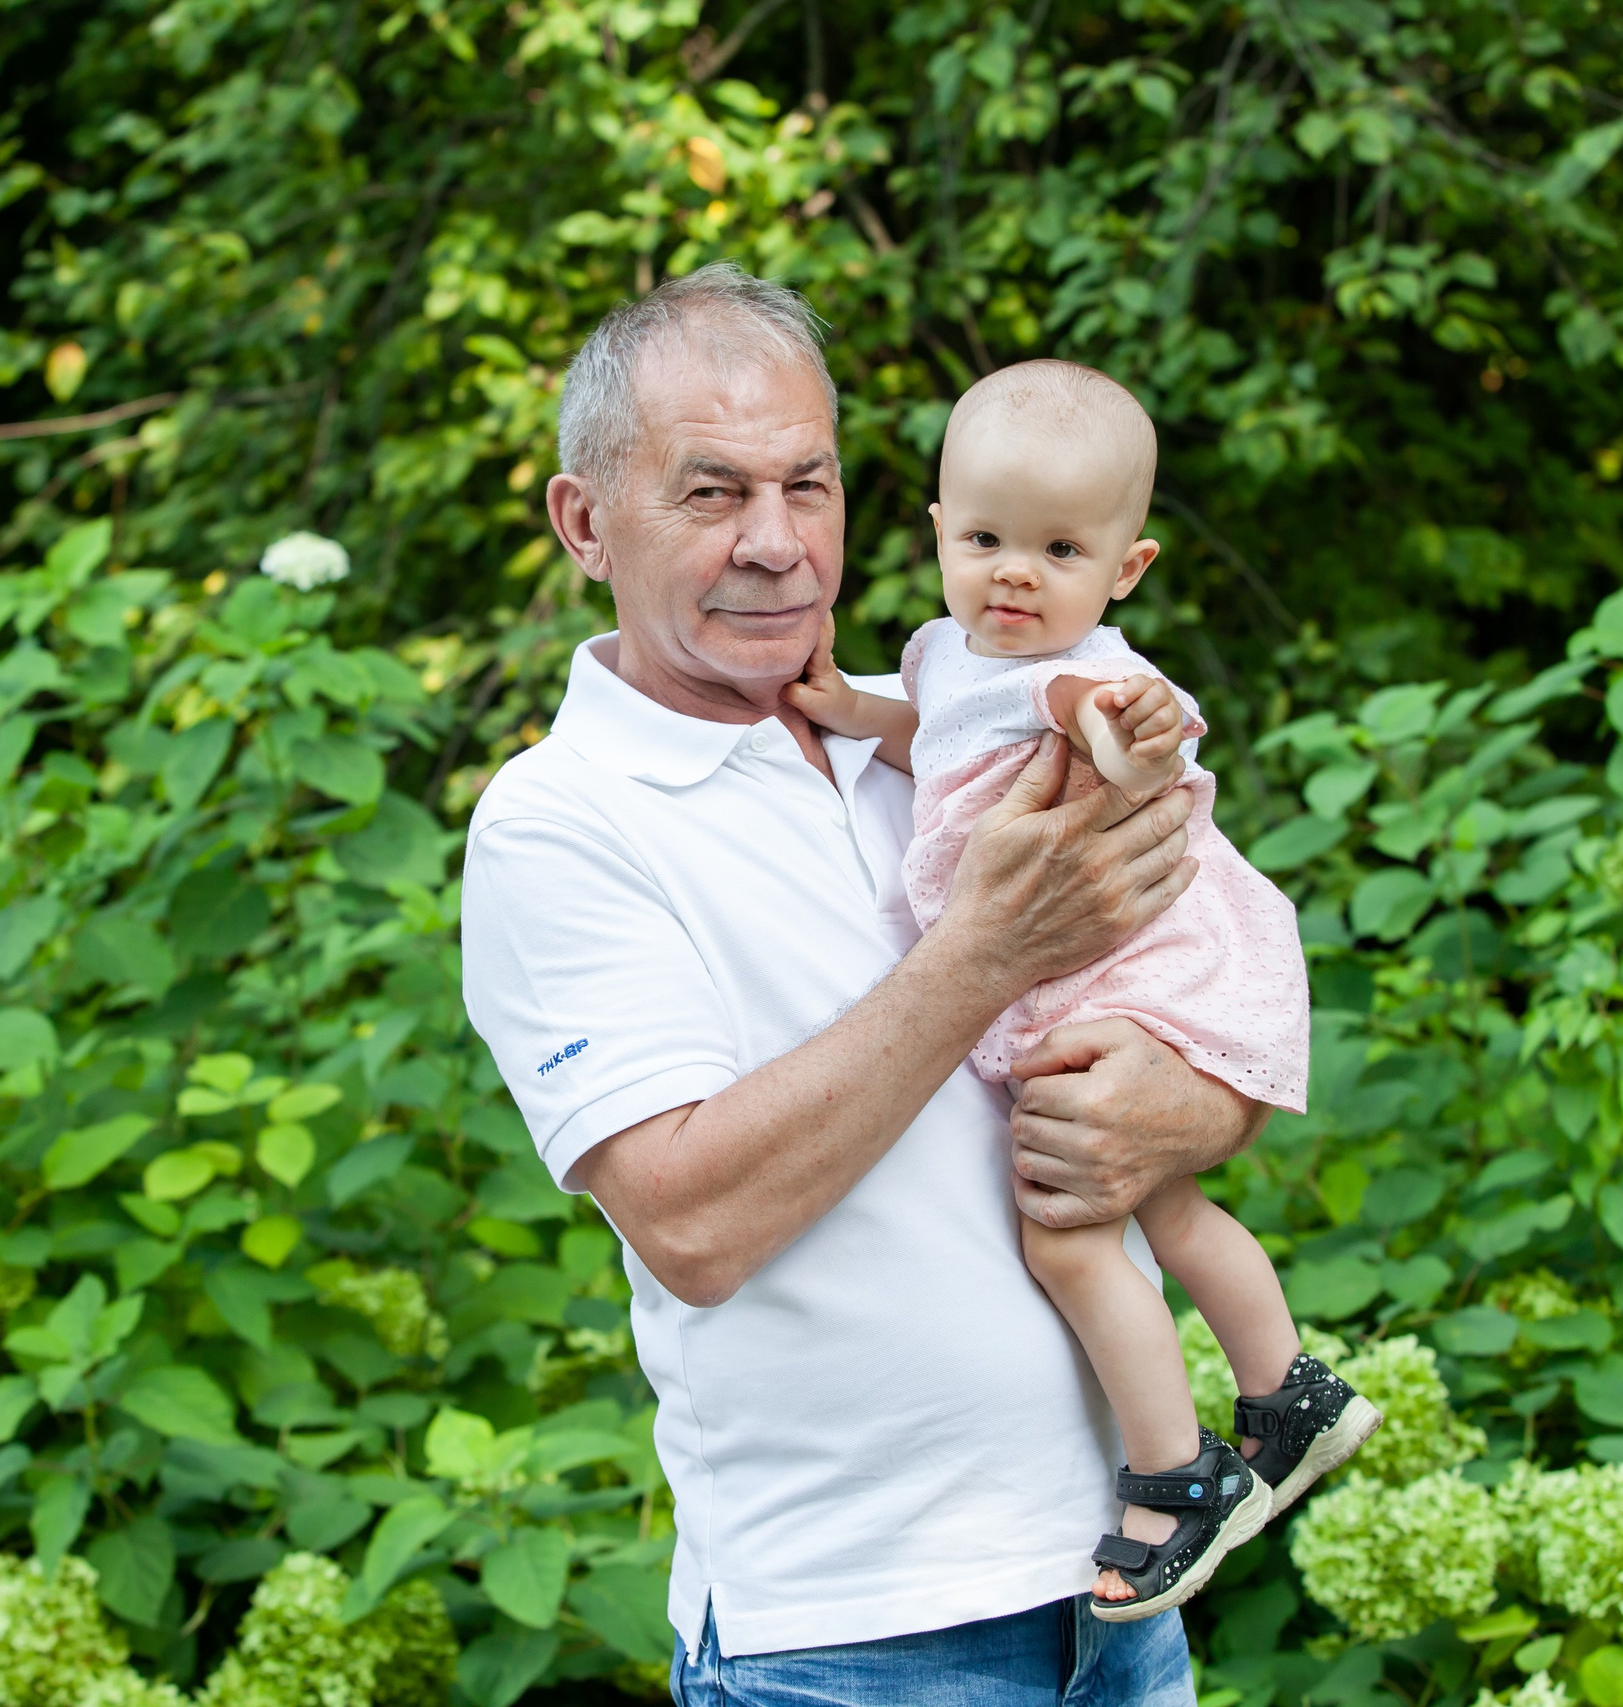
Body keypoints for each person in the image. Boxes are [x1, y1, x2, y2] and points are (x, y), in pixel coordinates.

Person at [460, 263, 1267, 1705]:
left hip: (1117, 1590)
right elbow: (692, 1221)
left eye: (809, 486)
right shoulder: (559, 820)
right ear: (585, 524)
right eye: (712, 494)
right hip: (851, 1638)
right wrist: (987, 952)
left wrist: (1193, 1108)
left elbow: (1220, 981)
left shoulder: (951, 725)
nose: (776, 544)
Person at [784, 359, 1377, 1622]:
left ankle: (1176, 1480)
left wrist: (1124, 736)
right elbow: (948, 738)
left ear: (1125, 569)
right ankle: (1288, 1391)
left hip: (1119, 969)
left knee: (1066, 1231)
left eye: (1059, 550)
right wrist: (853, 710)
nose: (1015, 575)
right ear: (938, 532)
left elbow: (1088, 717)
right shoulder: (948, 657)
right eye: (986, 540)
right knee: (1162, 1200)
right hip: (1094, 969)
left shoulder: (1083, 671)